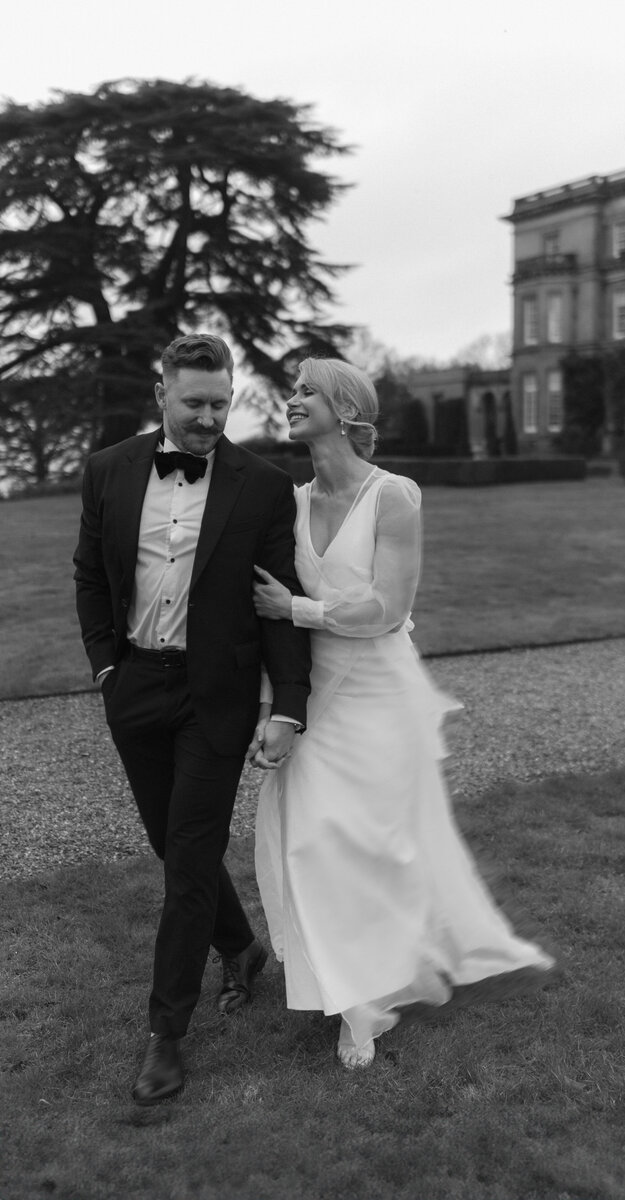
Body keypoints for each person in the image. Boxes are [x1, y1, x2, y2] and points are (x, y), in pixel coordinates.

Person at [250, 358, 559, 1070]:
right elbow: (269, 624)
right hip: (314, 696)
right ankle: (354, 1001)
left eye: (306, 392)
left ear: (345, 409)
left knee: (379, 847)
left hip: (379, 694)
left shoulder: (395, 498)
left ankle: (380, 976)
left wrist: (295, 605)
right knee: (312, 843)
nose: (291, 401)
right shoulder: (289, 502)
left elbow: (387, 610)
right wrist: (274, 703)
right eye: (293, 391)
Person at [73, 333, 311, 1105]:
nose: (210, 417)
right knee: (171, 847)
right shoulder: (107, 471)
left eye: (221, 402)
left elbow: (279, 610)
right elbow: (89, 574)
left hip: (217, 699)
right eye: (195, 403)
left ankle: (166, 1036)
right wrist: (107, 666)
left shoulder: (265, 485)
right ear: (161, 395)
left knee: (188, 856)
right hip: (135, 686)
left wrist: (289, 708)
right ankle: (243, 949)